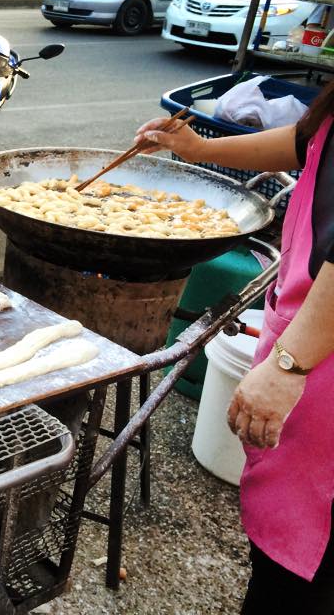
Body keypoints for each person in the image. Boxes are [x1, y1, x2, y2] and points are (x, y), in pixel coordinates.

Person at [135, 85, 334, 614]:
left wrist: (290, 363)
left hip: (321, 360)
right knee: (281, 546)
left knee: (306, 568)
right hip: (307, 337)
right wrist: (199, 150)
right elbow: (305, 142)